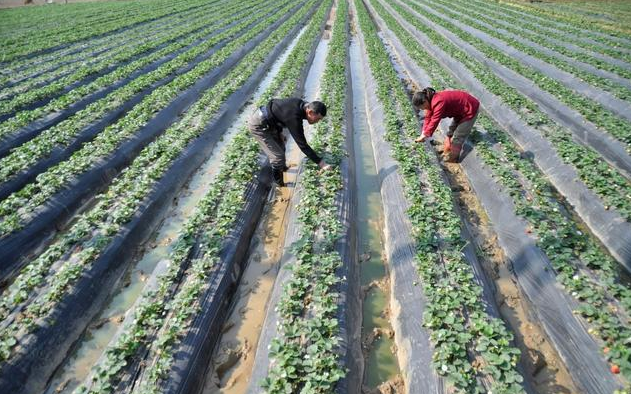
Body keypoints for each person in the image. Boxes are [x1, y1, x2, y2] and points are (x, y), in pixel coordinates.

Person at [247, 98, 332, 186]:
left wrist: (279, 132)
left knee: (281, 145)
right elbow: (302, 145)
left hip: (270, 123)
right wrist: (321, 163)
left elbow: (279, 111)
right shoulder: (294, 117)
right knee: (277, 157)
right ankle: (278, 183)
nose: (317, 121)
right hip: (259, 125)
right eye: (317, 119)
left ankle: (282, 168)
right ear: (310, 112)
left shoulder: (302, 105)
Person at [412, 87, 480, 163]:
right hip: (459, 111)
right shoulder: (430, 101)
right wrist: (423, 133)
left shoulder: (438, 101)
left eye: (422, 107)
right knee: (452, 128)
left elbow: (435, 120)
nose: (423, 109)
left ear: (424, 102)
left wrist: (425, 135)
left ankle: (453, 159)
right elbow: (428, 118)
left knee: (459, 136)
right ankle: (448, 145)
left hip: (470, 108)